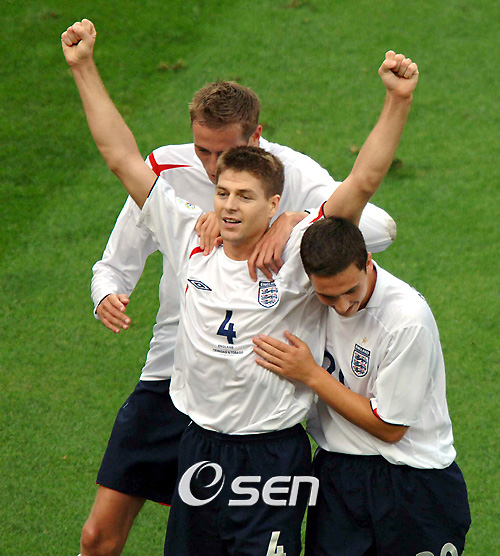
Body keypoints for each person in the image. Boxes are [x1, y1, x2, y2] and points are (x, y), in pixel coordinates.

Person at [62, 18, 418, 556]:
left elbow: (363, 183)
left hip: (271, 454)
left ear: (274, 204)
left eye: (244, 196)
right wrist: (84, 67)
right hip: (199, 441)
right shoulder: (187, 232)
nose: (228, 204)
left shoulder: (297, 250)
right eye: (223, 193)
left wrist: (397, 100)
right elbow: (119, 157)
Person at [252, 217, 471, 555]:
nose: (343, 306)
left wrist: (311, 374)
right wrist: (284, 220)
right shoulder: (306, 300)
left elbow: (390, 428)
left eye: (351, 291)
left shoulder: (407, 319)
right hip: (338, 475)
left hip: (412, 479)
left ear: (368, 262)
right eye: (328, 296)